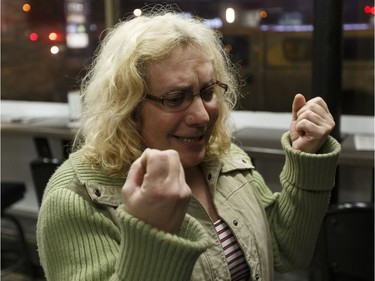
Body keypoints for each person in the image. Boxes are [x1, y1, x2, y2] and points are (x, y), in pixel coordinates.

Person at [36, 7, 341, 281]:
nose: (201, 116)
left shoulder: (221, 155)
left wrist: (305, 160)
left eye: (207, 92)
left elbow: (287, 252)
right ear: (126, 107)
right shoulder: (76, 198)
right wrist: (152, 233)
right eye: (175, 98)